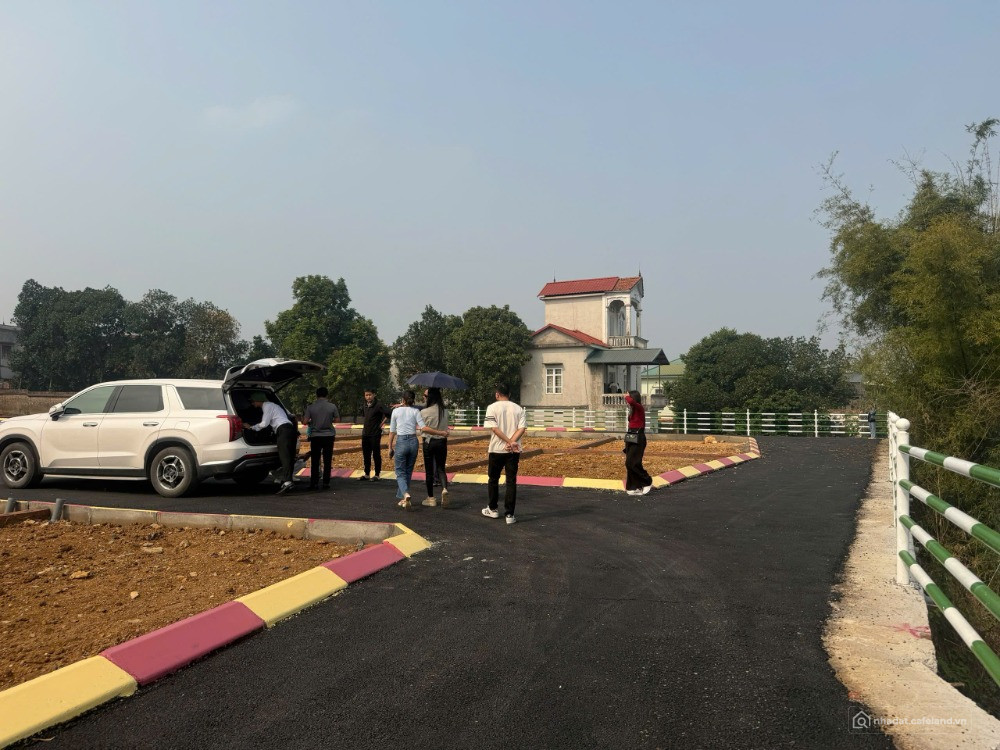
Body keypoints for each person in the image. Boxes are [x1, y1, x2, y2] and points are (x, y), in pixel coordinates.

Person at [481, 384, 526, 525]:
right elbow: (522, 429)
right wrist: (512, 442)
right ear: (509, 394)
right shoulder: (518, 409)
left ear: (497, 394)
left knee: (493, 479)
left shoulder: (492, 407)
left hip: (496, 449)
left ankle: (493, 509)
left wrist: (507, 441)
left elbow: (494, 429)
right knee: (511, 481)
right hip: (513, 450)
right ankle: (510, 514)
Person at [244, 391, 298, 495]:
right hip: (291, 430)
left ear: (259, 400)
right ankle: (288, 480)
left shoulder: (267, 406)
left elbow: (264, 424)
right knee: (290, 456)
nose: (252, 403)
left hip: (283, 430)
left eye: (253, 401)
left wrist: (251, 427)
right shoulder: (274, 405)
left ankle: (287, 482)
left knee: (285, 456)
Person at [387, 390, 425, 509]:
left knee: (400, 472)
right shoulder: (416, 411)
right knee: (408, 471)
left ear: (402, 400)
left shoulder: (396, 411)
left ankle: (406, 494)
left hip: (401, 441)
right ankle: (404, 499)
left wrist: (389, 447)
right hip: (413, 441)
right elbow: (422, 427)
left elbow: (392, 431)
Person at [302, 387, 340, 490]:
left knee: (315, 460)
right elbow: (337, 420)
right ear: (327, 395)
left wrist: (310, 422)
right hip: (329, 436)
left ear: (316, 395)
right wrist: (329, 420)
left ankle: (314, 483)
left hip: (315, 437)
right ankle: (326, 483)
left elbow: (305, 422)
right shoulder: (332, 406)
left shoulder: (311, 407)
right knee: (327, 460)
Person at [419, 387, 451, 507]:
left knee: (429, 471)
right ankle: (444, 489)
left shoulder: (424, 412)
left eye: (425, 396)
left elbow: (423, 428)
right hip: (442, 442)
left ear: (430, 397)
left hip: (429, 442)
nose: (424, 398)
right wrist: (442, 433)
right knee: (441, 468)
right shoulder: (445, 411)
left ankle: (431, 498)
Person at [623, 389, 653, 496]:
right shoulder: (633, 410)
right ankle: (634, 486)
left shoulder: (639, 407)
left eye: (630, 397)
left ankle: (647, 481)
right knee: (629, 463)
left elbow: (631, 402)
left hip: (638, 437)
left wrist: (626, 396)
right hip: (631, 437)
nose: (627, 400)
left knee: (633, 463)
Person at [359, 389, 392, 481]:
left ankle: (377, 474)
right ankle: (367, 474)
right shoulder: (365, 405)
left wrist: (382, 422)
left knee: (376, 454)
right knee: (366, 454)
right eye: (366, 395)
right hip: (365, 434)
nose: (368, 397)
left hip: (375, 434)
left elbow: (389, 413)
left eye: (370, 395)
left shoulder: (379, 405)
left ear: (374, 395)